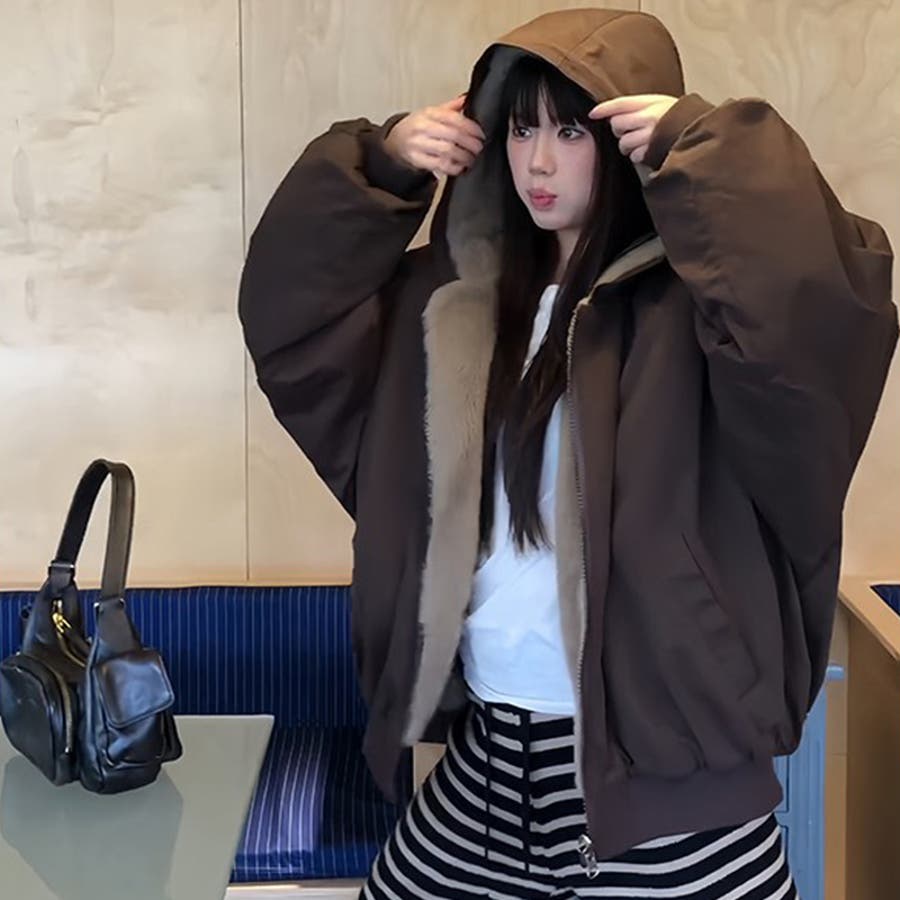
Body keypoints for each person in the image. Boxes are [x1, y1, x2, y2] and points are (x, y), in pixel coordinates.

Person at [239, 8, 897, 899]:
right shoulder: (455, 307)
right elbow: (290, 315)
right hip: (486, 772)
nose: (538, 163)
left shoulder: (706, 315)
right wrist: (380, 166)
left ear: (624, 138)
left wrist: (707, 151)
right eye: (520, 131)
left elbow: (821, 311)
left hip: (672, 798)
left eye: (570, 132)